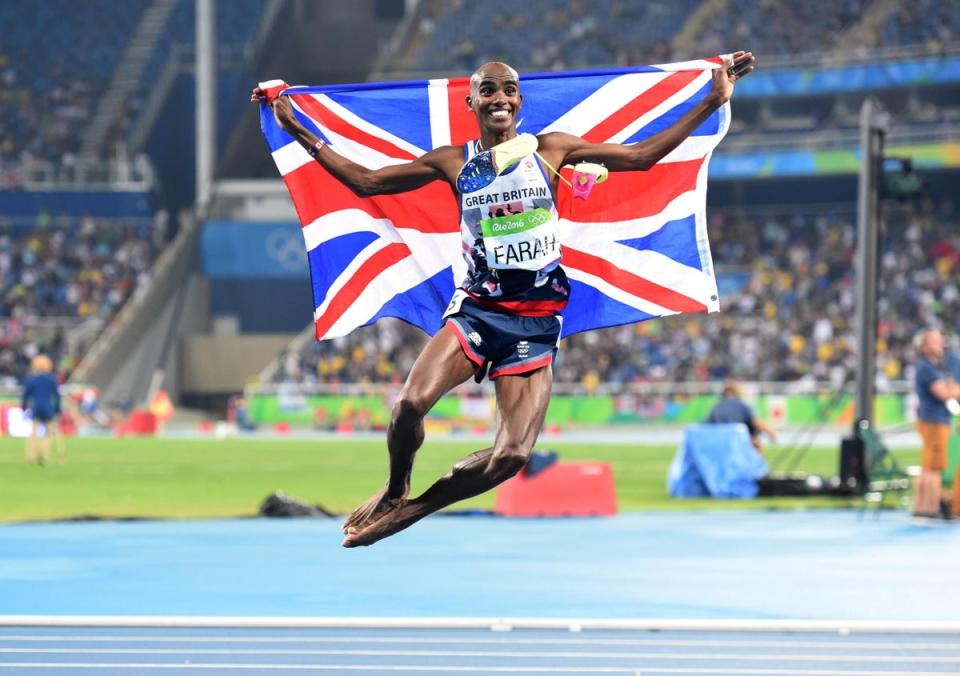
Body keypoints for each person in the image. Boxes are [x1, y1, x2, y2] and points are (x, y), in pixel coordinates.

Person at [252, 53, 754, 547]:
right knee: (408, 406)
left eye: (509, 89)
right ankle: (397, 488)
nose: (500, 97)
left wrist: (713, 97)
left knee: (511, 456)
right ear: (470, 101)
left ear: (519, 103)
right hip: (478, 310)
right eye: (489, 90)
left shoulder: (551, 151)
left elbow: (642, 157)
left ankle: (413, 511)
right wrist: (295, 125)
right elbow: (367, 182)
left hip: (535, 322)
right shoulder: (455, 161)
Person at [912, 328, 960, 519]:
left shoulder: (929, 367)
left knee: (927, 467)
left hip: (931, 420)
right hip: (935, 421)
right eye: (935, 341)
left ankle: (922, 507)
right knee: (935, 468)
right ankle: (930, 508)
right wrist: (954, 389)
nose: (940, 344)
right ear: (924, 347)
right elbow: (944, 394)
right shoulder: (927, 368)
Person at [705, 379, 777, 454]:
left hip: (720, 442)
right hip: (739, 441)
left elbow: (706, 426)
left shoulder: (716, 407)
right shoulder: (743, 405)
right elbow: (756, 423)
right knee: (756, 443)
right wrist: (772, 434)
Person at [21, 354, 65, 465]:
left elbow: (25, 396)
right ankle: (44, 454)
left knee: (33, 432)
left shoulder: (32, 380)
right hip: (47, 407)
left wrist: (24, 408)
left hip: (36, 407)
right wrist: (57, 410)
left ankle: (31, 456)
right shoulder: (51, 380)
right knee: (49, 433)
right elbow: (57, 396)